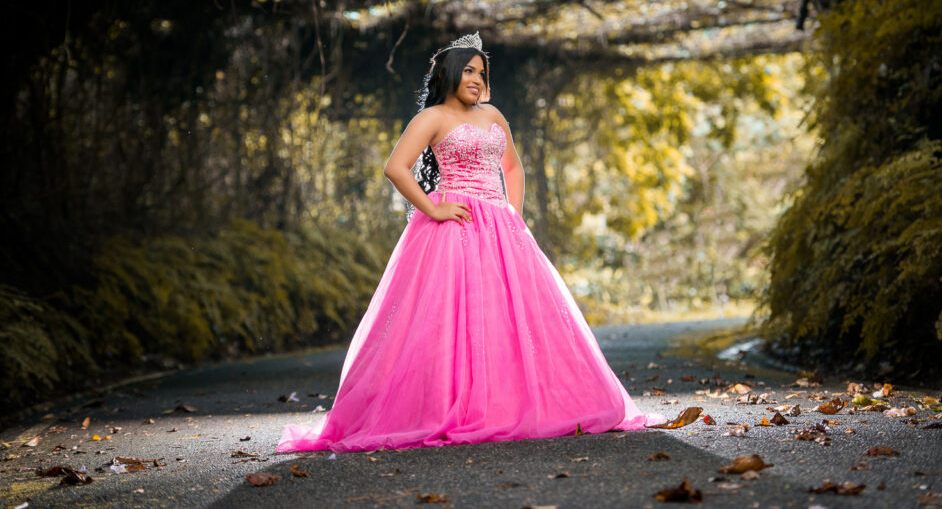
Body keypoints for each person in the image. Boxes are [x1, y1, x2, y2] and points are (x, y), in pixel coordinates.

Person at [276, 33, 664, 453]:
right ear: (449, 74)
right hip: (452, 226)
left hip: (500, 227)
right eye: (468, 70)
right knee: (449, 319)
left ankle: (516, 404)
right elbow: (396, 168)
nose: (477, 78)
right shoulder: (434, 117)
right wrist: (434, 208)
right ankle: (449, 405)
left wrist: (512, 215)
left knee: (512, 320)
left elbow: (513, 167)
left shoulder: (494, 115)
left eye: (482, 72)